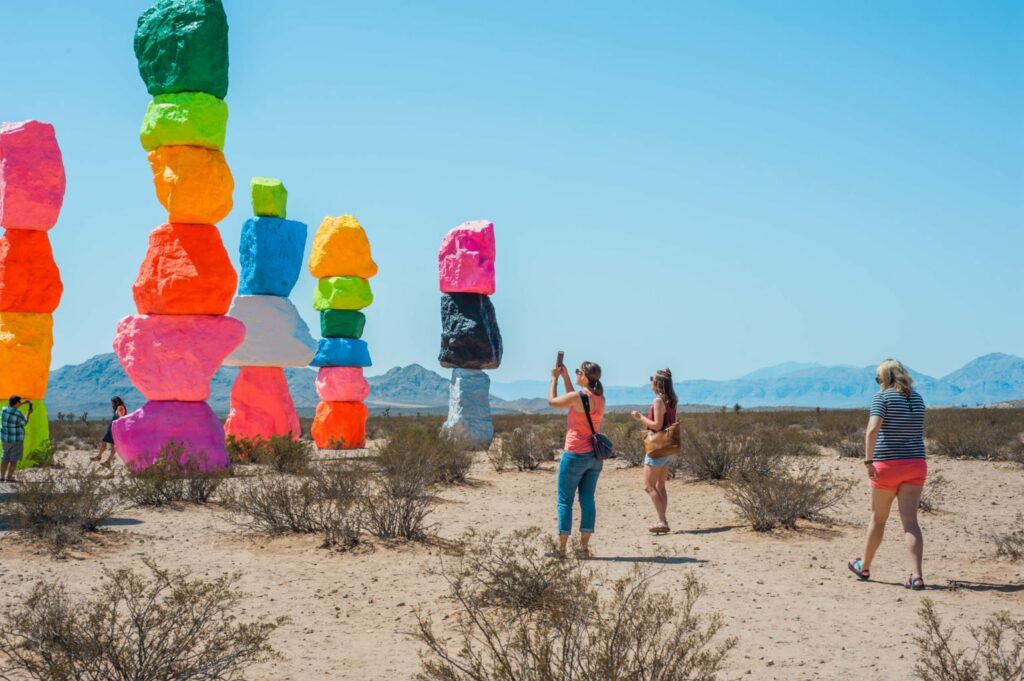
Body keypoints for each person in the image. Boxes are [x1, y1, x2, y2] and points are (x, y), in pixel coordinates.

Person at [848, 359, 928, 590]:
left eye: (878, 378)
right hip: (916, 464)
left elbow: (872, 430)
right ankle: (916, 575)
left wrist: (868, 460)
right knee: (911, 521)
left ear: (885, 378)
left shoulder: (881, 398)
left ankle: (864, 565)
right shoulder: (917, 398)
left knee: (878, 518)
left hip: (887, 465)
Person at [548, 360, 606, 557]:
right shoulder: (600, 398)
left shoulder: (578, 397)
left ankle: (561, 548)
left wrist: (554, 379)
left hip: (575, 454)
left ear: (584, 376)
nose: (575, 373)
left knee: (565, 501)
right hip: (594, 457)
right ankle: (583, 548)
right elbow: (576, 397)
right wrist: (565, 377)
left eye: (577, 372)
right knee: (587, 499)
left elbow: (553, 401)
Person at [631, 369, 679, 534]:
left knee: (649, 486)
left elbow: (657, 425)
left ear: (658, 383)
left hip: (657, 447)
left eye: (652, 379)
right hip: (667, 447)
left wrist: (640, 418)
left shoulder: (658, 401)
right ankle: (662, 520)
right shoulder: (672, 400)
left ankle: (662, 521)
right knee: (660, 486)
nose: (650, 381)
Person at [1, 396, 32, 483]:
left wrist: (22, 403)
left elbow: (12, 407)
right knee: (13, 459)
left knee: (5, 458)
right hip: (16, 439)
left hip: (5, 439)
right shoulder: (18, 414)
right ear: (17, 403)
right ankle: (9, 477)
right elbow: (24, 422)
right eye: (19, 402)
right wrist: (28, 413)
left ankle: (2, 477)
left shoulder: (4, 410)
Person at [91, 396, 127, 467]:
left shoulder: (119, 407)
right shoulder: (122, 407)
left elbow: (121, 417)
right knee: (111, 445)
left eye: (113, 403)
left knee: (106, 443)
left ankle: (102, 458)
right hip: (113, 430)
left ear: (116, 402)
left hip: (113, 430)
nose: (112, 405)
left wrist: (119, 418)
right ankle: (104, 459)